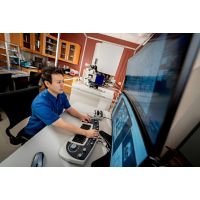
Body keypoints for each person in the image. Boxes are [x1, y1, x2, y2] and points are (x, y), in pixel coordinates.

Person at [17, 67, 99, 142]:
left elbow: (69, 108)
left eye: (63, 81)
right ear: (47, 84)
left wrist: (80, 116)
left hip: (50, 128)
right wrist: (85, 133)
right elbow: (61, 124)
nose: (63, 85)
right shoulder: (40, 103)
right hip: (35, 134)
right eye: (59, 82)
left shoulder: (61, 94)